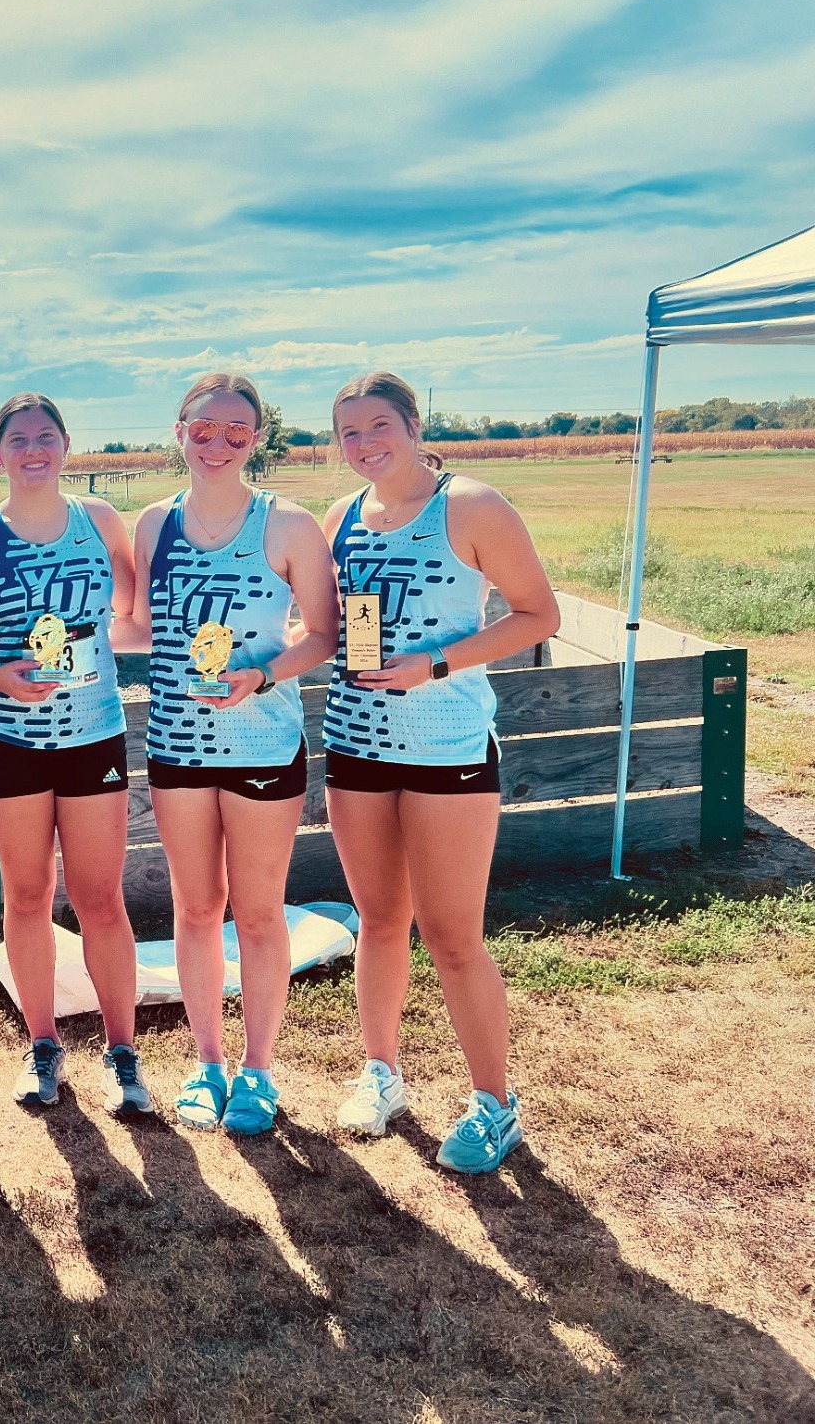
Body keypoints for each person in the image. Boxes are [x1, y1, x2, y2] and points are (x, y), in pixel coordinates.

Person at [322, 371, 559, 1174]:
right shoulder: (342, 518)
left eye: (379, 425)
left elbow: (539, 615)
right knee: (380, 922)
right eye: (349, 433)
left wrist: (438, 662)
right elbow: (332, 628)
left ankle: (495, 1105)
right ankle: (381, 1074)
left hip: (447, 750)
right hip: (354, 749)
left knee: (454, 938)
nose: (365, 444)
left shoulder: (473, 506)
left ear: (415, 425)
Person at [0, 392, 145, 1115]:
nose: (33, 449)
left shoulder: (102, 521)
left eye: (45, 436)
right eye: (17, 439)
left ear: (66, 445)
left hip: (93, 736)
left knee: (100, 896)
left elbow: (134, 613)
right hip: (7, 737)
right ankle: (43, 1045)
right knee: (26, 894)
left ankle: (123, 1053)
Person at [131, 373, 338, 1136]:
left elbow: (322, 634)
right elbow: (132, 624)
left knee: (256, 912)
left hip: (263, 742)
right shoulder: (152, 524)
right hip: (178, 743)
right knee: (194, 907)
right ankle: (205, 1061)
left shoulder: (288, 524)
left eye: (237, 431)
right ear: (179, 430)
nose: (218, 443)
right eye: (203, 428)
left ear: (258, 439)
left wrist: (262, 673)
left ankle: (258, 1069)